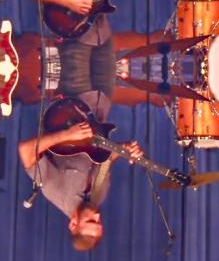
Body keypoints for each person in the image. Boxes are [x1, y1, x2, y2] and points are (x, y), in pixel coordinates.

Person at [17, 91, 143, 251]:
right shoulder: (98, 197)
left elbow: (26, 150)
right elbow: (106, 159)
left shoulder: (56, 191)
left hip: (75, 101)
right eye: (99, 222)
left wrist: (66, 135)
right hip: (101, 103)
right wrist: (125, 150)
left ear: (73, 223)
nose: (97, 216)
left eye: (91, 221)